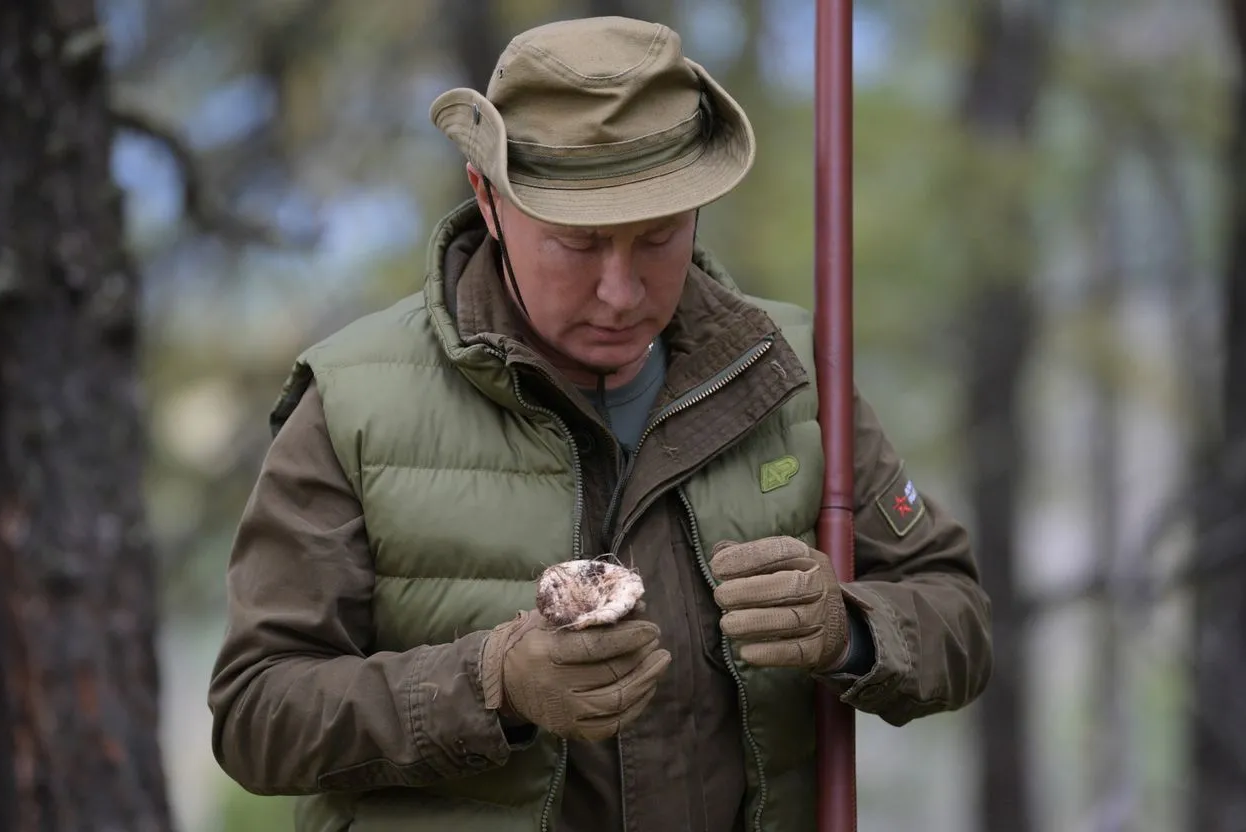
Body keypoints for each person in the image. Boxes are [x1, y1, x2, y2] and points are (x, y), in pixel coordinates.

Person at [207, 15, 992, 832]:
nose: (621, 292)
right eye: (577, 247)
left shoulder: (792, 374)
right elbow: (256, 715)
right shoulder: (352, 403)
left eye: (658, 240)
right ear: (488, 197)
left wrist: (850, 630)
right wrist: (490, 682)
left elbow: (957, 616)